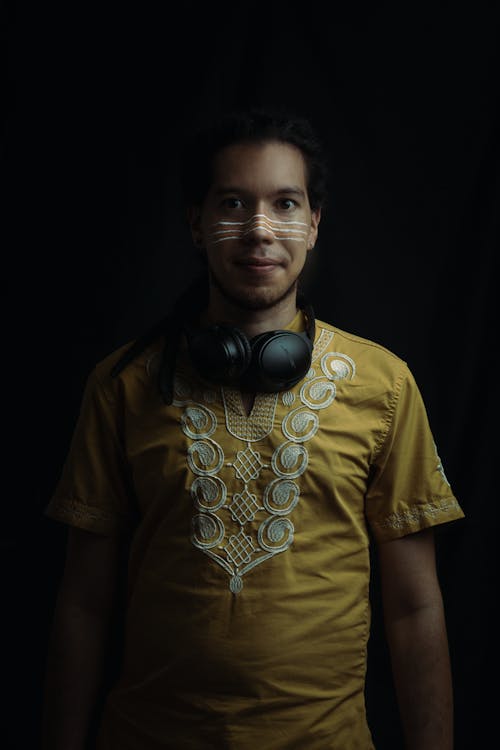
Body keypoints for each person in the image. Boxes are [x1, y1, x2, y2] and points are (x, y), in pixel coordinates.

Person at [41, 106, 465, 750]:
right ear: (196, 222)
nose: (260, 230)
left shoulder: (384, 385)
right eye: (233, 202)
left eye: (286, 204)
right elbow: (82, 604)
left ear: (314, 224)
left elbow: (415, 609)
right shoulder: (123, 384)